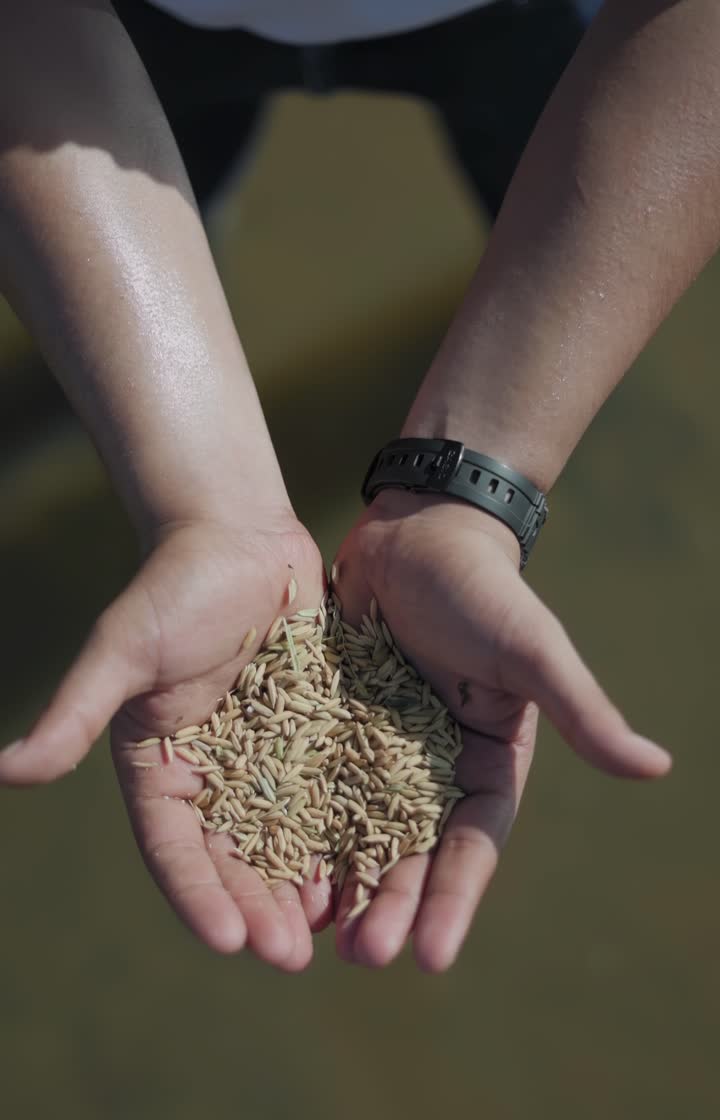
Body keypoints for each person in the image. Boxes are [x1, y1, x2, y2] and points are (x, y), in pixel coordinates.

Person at [1, 0, 714, 975]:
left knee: (543, 227)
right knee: (158, 225)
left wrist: (486, 470)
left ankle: (482, 357)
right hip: (124, 30)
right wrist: (204, 494)